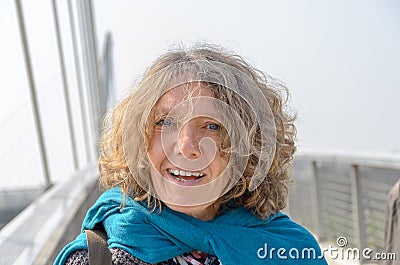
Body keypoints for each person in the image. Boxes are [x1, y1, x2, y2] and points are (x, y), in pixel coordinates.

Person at [54, 44, 327, 265]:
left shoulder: (289, 251)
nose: (186, 147)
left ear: (248, 149)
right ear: (139, 142)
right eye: (165, 123)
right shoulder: (96, 258)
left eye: (212, 126)